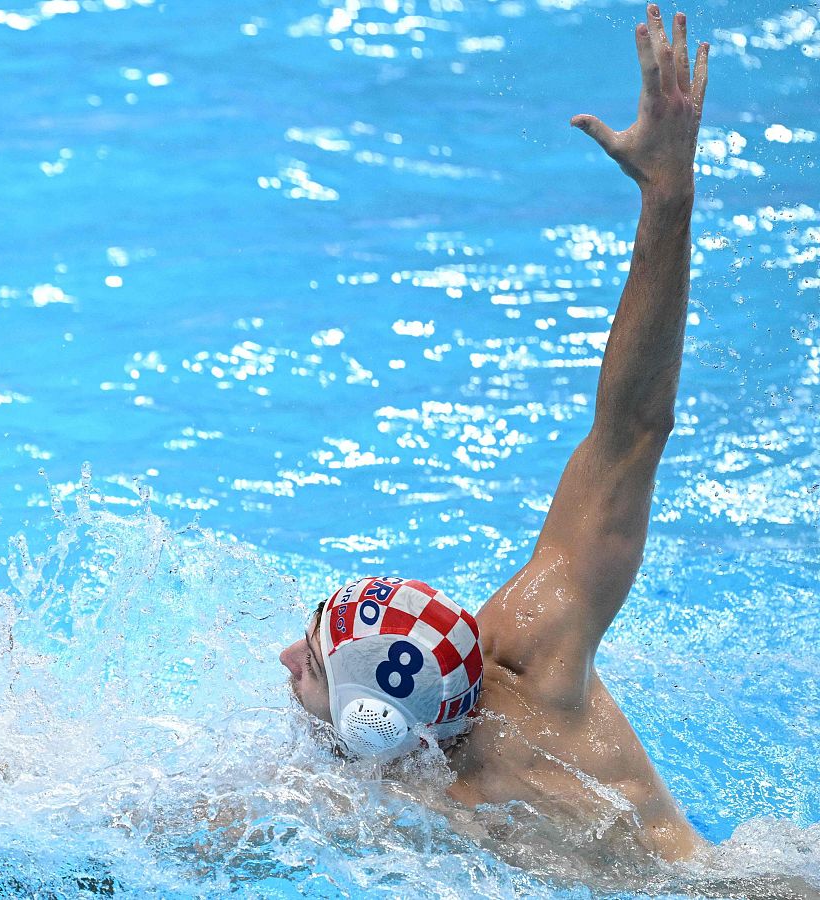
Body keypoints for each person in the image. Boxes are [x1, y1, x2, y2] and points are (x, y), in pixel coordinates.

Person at [279, 4, 711, 862]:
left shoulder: (409, 793)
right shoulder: (531, 654)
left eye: (315, 665)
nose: (287, 654)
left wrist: (669, 197)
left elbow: (634, 430)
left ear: (370, 721)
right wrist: (667, 193)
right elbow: (628, 435)